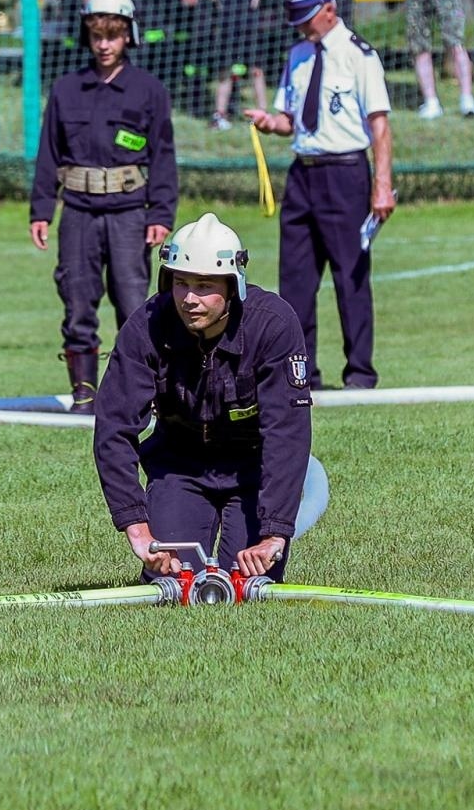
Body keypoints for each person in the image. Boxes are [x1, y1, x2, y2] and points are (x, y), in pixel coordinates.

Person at [93, 213, 313, 582]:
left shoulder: (273, 324)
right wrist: (136, 526)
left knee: (245, 585)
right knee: (174, 583)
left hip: (252, 470)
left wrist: (274, 531)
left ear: (233, 286)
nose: (190, 299)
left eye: (204, 285)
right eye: (180, 283)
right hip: (179, 466)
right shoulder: (145, 325)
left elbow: (287, 432)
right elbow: (114, 428)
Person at [30, 0, 178, 413]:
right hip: (77, 212)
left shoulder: (149, 91)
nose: (105, 44)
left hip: (130, 214)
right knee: (77, 301)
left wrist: (161, 213)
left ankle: (139, 394)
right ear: (87, 37)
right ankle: (84, 393)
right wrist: (41, 210)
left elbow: (164, 157)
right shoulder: (65, 90)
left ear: (128, 35)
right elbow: (48, 154)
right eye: (97, 36)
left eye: (113, 35)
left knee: (134, 306)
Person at [246, 0, 396, 390]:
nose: (301, 27)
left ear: (330, 9)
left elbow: (379, 125)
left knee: (350, 277)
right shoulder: (298, 54)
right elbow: (290, 119)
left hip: (345, 173)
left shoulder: (359, 56)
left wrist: (382, 184)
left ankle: (360, 373)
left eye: (306, 19)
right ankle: (300, 374)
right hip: (303, 173)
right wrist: (269, 122)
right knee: (295, 281)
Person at [196, 0, 286, 129]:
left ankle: (262, 112)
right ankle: (219, 114)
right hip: (227, 27)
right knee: (224, 72)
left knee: (256, 70)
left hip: (250, 27)